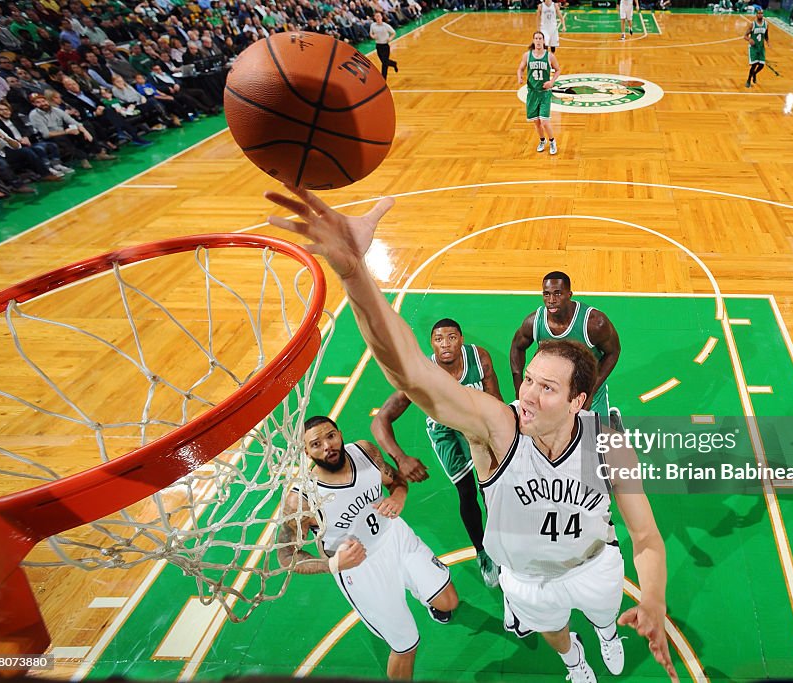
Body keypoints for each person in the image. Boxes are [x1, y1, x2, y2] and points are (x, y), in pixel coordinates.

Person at [264, 188, 677, 683]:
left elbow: (647, 540)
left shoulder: (607, 443)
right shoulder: (499, 428)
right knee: (553, 630)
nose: (526, 393)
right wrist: (355, 275)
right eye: (527, 379)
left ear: (577, 402)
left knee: (606, 613)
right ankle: (574, 662)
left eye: (547, 387)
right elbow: (412, 375)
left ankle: (607, 635)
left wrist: (652, 598)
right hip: (525, 579)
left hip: (593, 565)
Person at [277, 416, 459, 680]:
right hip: (360, 569)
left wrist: (398, 497)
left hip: (396, 537)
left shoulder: (365, 451)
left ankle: (424, 594)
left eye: (330, 436)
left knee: (449, 601)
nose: (327, 446)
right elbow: (286, 556)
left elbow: (396, 481)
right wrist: (333, 565)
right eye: (316, 444)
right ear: (306, 452)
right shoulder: (301, 499)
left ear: (339, 433)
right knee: (406, 646)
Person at [371, 318, 502, 588]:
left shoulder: (479, 358)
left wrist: (501, 434)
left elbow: (495, 398)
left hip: (477, 424)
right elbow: (380, 420)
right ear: (431, 343)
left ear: (461, 339)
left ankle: (501, 542)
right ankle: (483, 552)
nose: (446, 344)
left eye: (452, 337)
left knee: (491, 488)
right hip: (446, 431)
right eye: (439, 339)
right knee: (467, 491)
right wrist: (401, 458)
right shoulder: (423, 374)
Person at [509, 271, 621, 427]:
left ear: (569, 294)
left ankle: (612, 422)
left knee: (594, 443)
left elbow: (613, 352)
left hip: (587, 386)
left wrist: (591, 392)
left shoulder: (594, 323)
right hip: (553, 389)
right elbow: (517, 347)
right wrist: (519, 389)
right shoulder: (534, 322)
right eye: (546, 294)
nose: (551, 300)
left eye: (557, 294)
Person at [517, 30, 561, 155]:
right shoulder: (527, 55)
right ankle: (542, 141)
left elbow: (558, 70)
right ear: (533, 41)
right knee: (536, 122)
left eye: (540, 38)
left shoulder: (549, 56)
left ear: (543, 41)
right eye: (536, 38)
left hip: (544, 93)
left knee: (545, 122)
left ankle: (552, 141)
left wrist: (551, 82)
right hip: (532, 93)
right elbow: (520, 68)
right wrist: (519, 77)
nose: (538, 41)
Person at [744, 7, 769, 87]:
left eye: (761, 13)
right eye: (758, 13)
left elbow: (766, 34)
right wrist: (749, 39)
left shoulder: (766, 24)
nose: (760, 15)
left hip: (761, 47)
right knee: (754, 65)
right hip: (754, 47)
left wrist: (768, 41)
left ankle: (755, 73)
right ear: (756, 14)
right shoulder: (753, 24)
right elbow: (745, 36)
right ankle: (748, 80)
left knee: (761, 65)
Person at [370, 12, 398, 80]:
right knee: (384, 61)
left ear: (381, 17)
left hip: (385, 46)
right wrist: (373, 36)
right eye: (376, 16)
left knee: (384, 64)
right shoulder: (373, 25)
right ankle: (393, 63)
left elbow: (393, 32)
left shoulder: (386, 26)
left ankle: (383, 79)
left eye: (379, 16)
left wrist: (390, 38)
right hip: (378, 46)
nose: (378, 18)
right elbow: (371, 33)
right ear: (375, 18)